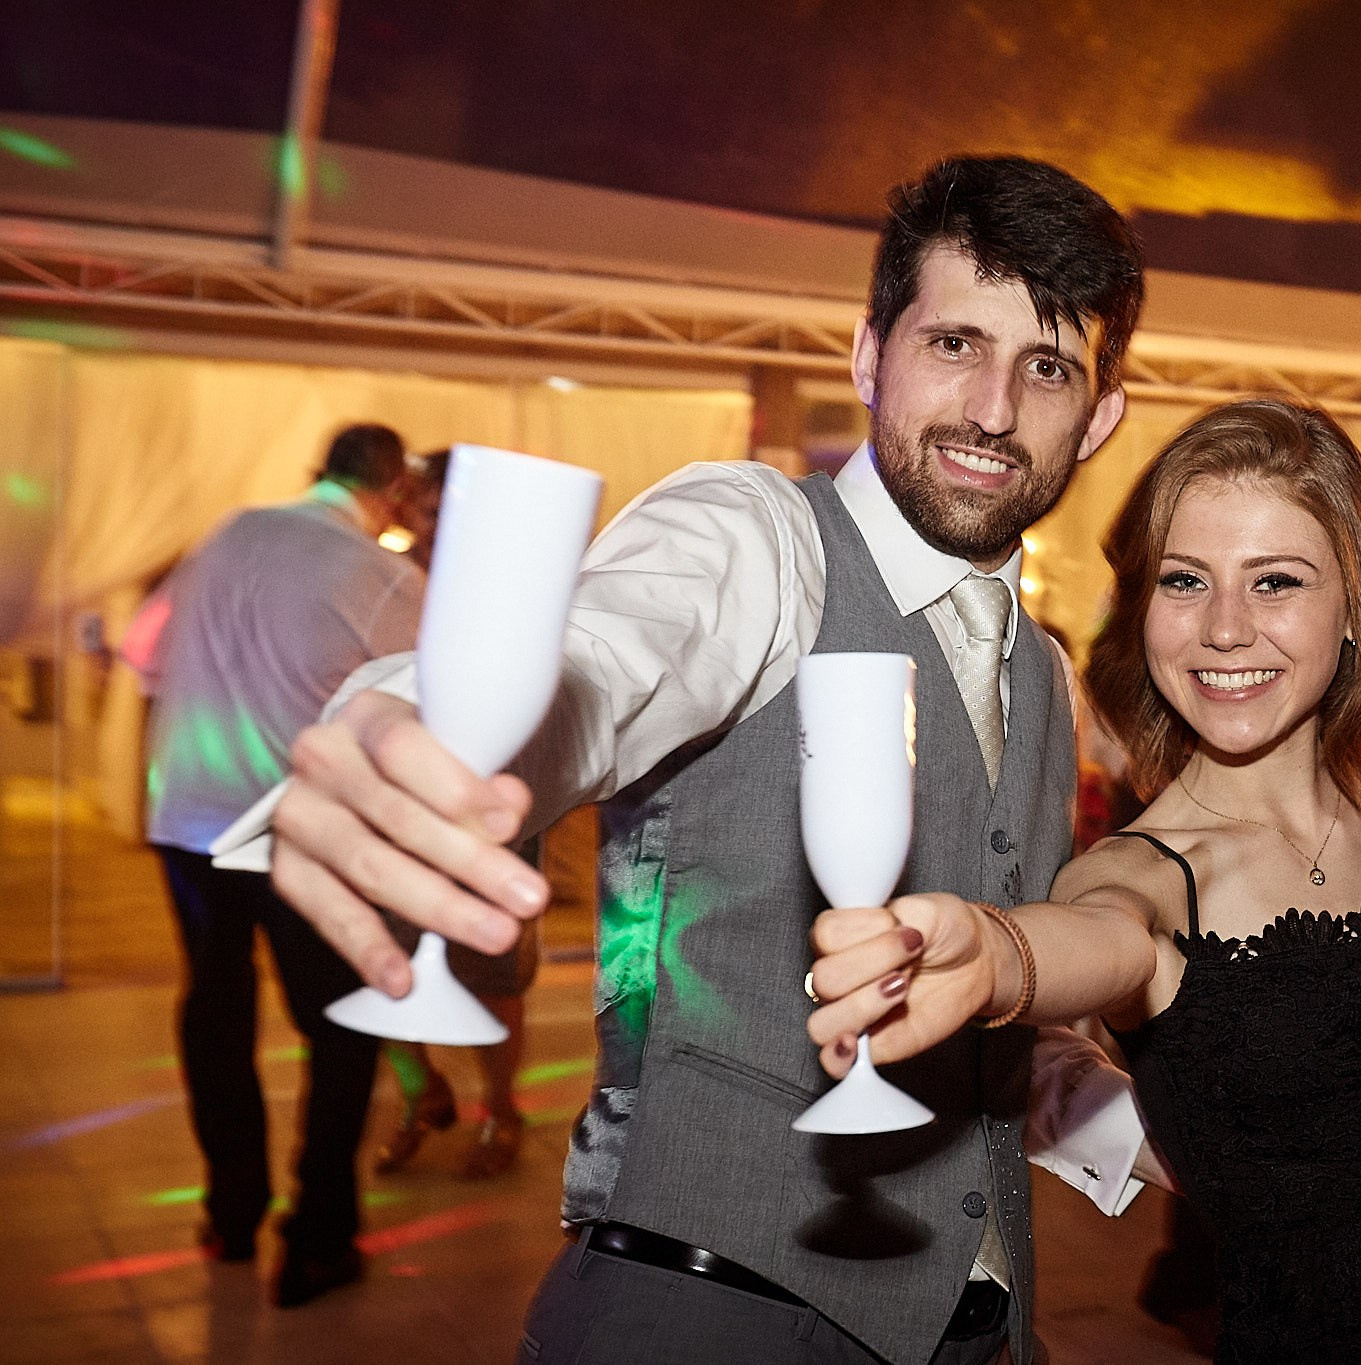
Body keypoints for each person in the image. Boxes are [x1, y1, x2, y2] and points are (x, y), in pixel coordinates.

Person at [247, 156, 1144, 1364]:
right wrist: (404, 729)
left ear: (1097, 413)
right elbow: (599, 656)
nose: (991, 408)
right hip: (703, 1312)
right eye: (951, 345)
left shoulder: (1041, 673)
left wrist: (1148, 1136)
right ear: (869, 356)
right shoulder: (758, 536)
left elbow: (967, 1007)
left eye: (1045, 367)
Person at [810, 400, 1361, 1361]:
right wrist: (990, 954)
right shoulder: (1141, 875)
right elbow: (1091, 940)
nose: (1225, 629)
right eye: (1186, 581)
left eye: (1275, 581)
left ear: (1355, 605)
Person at [133, 423, 421, 1306]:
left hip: (189, 817)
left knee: (214, 1015)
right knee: (339, 1027)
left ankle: (231, 1209)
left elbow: (143, 655)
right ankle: (318, 1237)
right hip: (301, 830)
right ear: (393, 493)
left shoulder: (228, 531)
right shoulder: (382, 575)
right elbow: (435, 703)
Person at [370, 449, 538, 1181]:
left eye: (449, 511)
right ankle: (421, 1094)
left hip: (488, 801)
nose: (435, 524)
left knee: (491, 971)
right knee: (381, 963)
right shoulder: (382, 582)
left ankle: (501, 1109)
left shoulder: (510, 588)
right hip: (401, 803)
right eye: (427, 508)